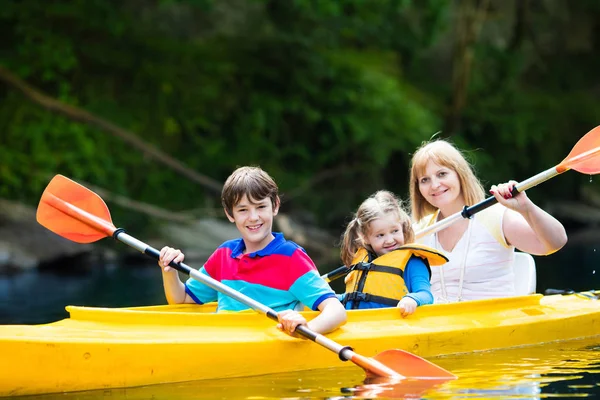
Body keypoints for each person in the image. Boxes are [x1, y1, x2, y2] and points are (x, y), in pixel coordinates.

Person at [157, 166, 347, 337]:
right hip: (223, 340)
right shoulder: (224, 254)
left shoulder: (291, 257)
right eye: (243, 210)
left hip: (270, 344)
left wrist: (307, 329)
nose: (253, 217)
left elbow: (336, 311)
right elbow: (182, 298)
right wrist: (170, 270)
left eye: (261, 206)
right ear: (230, 214)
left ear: (275, 205)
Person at [410, 139, 568, 303]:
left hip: (495, 323)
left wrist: (526, 207)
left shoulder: (495, 217)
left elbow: (556, 242)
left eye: (442, 174)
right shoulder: (418, 231)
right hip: (440, 325)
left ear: (460, 175)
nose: (434, 185)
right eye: (424, 180)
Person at [338, 190, 448, 316]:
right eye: (380, 235)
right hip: (359, 325)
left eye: (395, 231)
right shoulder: (364, 261)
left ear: (402, 227)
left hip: (394, 327)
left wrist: (412, 299)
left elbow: (425, 295)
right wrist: (331, 299)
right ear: (365, 237)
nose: (390, 240)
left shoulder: (413, 262)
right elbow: (351, 298)